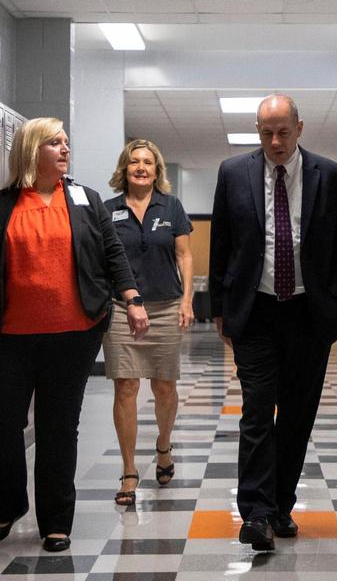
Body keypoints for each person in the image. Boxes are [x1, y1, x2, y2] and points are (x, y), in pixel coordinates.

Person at [0, 117, 149, 552]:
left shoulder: (85, 200)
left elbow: (112, 253)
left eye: (66, 143)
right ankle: (11, 504)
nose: (65, 149)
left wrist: (132, 299)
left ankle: (56, 522)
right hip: (11, 335)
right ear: (31, 150)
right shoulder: (0, 205)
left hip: (73, 334)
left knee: (59, 427)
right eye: (55, 143)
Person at [210, 94, 337, 550]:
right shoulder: (233, 173)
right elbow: (222, 243)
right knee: (256, 410)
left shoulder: (332, 177)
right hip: (255, 312)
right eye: (265, 133)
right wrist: (221, 308)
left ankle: (280, 506)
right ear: (258, 132)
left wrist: (336, 310)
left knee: (297, 416)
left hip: (308, 315)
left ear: (300, 127)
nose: (274, 141)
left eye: (282, 131)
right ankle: (255, 513)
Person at [102, 139, 194, 506]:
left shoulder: (171, 207)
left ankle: (164, 445)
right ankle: (128, 470)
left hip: (165, 305)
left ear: (158, 171)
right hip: (122, 309)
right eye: (134, 162)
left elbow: (185, 256)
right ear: (123, 169)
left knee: (165, 388)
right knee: (125, 386)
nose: (141, 168)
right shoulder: (107, 210)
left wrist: (187, 301)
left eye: (148, 163)